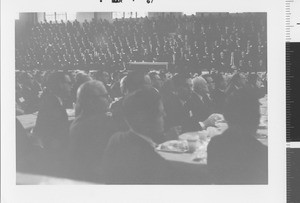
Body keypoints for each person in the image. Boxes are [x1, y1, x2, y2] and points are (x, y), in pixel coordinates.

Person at [101, 86, 211, 184]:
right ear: (143, 118)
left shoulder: (116, 138)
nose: (165, 115)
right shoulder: (150, 161)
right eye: (160, 112)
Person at [207, 88, 268, 184]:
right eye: (257, 114)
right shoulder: (261, 152)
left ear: (226, 116)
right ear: (256, 119)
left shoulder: (214, 144)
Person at [66, 80, 117, 182]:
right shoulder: (100, 123)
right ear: (91, 101)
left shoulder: (79, 121)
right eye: (105, 96)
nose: (110, 99)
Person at [33, 71, 72, 151]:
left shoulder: (54, 100)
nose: (71, 86)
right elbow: (57, 134)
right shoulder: (52, 104)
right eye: (69, 83)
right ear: (60, 84)